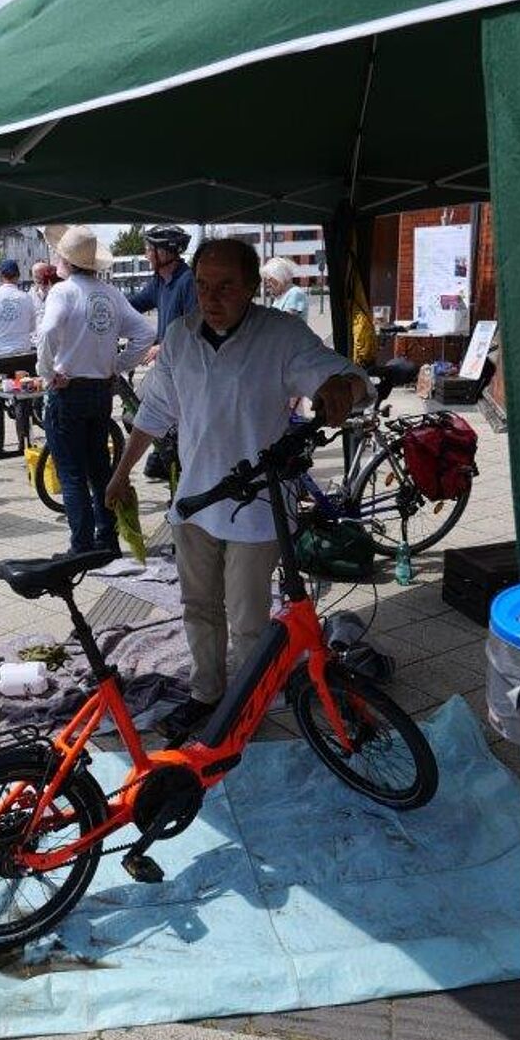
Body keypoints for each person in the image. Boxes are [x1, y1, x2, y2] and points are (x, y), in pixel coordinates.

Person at [106, 238, 370, 742]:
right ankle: (207, 695)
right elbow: (155, 412)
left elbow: (339, 373)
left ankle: (248, 708)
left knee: (249, 620)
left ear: (253, 287)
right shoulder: (181, 337)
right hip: (197, 498)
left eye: (226, 286)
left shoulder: (281, 334)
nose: (212, 297)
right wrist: (121, 474)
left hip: (259, 505)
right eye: (203, 285)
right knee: (198, 607)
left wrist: (344, 386)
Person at [38, 224, 154, 555]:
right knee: (99, 467)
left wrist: (47, 373)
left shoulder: (63, 291)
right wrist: (116, 365)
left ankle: (82, 545)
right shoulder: (111, 293)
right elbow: (145, 335)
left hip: (69, 388)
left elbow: (47, 333)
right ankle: (107, 538)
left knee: (72, 472)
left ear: (65, 261)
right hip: (101, 391)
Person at [130, 224, 198, 365]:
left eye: (149, 250)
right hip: (167, 365)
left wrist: (162, 347)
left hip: (185, 367)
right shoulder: (160, 282)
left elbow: (195, 330)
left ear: (163, 252)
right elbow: (132, 305)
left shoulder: (188, 281)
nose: (146, 255)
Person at [0, 259, 37, 357]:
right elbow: (32, 327)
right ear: (18, 276)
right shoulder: (26, 298)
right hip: (23, 350)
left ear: (0, 276)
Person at [262, 256, 310, 322]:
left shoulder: (295, 292)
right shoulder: (279, 297)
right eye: (266, 280)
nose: (267, 284)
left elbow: (286, 320)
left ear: (280, 277)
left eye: (270, 280)